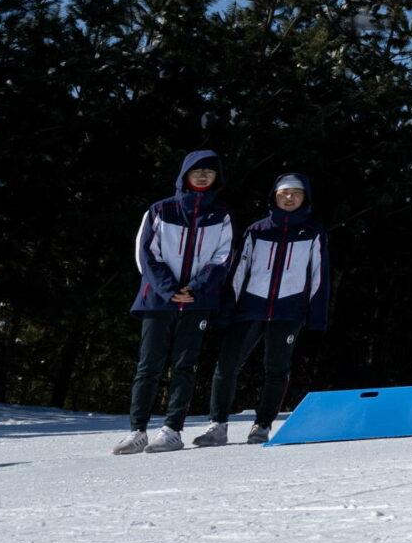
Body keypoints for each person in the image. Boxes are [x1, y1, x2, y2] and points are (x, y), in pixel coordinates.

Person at [198, 174, 329, 446]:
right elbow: (238, 271)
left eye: (296, 193)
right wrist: (227, 309)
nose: (289, 198)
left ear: (305, 197)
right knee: (227, 365)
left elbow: (319, 275)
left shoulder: (314, 232)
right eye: (284, 193)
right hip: (250, 307)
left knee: (277, 369)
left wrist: (316, 315)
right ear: (274, 196)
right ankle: (217, 426)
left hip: (289, 310)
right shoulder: (257, 230)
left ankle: (262, 424)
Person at [118, 150, 234, 454]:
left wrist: (195, 289)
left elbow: (222, 258)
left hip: (197, 302)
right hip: (158, 300)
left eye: (210, 171)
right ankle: (137, 430)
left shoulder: (220, 215)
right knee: (148, 366)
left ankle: (172, 429)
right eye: (197, 170)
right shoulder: (160, 210)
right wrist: (170, 289)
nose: (203, 175)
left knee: (185, 366)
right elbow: (145, 255)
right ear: (185, 174)